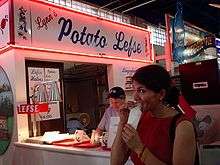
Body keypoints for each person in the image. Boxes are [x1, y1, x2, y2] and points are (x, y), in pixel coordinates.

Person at [111, 65, 196, 165]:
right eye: (135, 90)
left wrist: (139, 148)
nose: (135, 97)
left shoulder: (182, 126)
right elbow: (116, 162)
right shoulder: (139, 118)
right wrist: (123, 121)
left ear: (161, 94)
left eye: (142, 91)